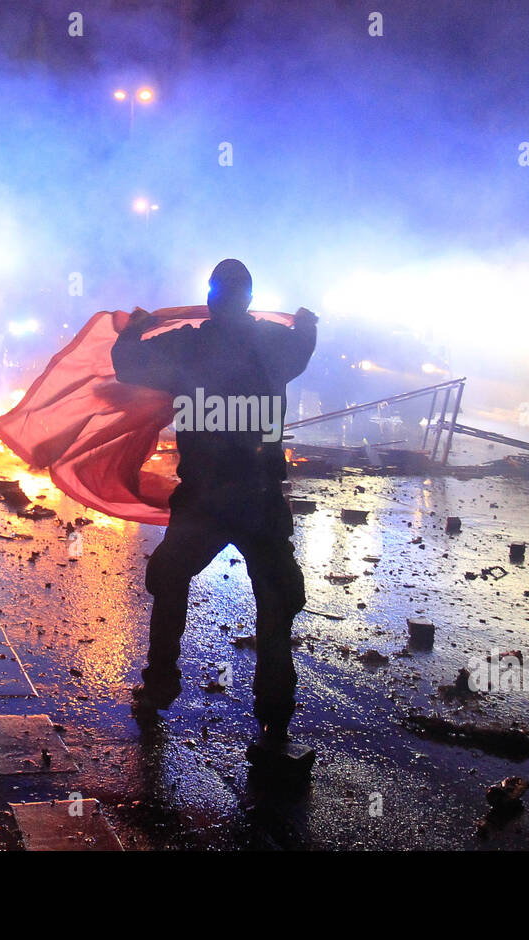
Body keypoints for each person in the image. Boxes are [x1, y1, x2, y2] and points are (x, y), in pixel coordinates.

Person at [111, 259, 317, 751]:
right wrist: (308, 324)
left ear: (210, 297)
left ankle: (160, 686)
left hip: (205, 495)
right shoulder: (273, 341)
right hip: (258, 495)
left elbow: (128, 365)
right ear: (247, 298)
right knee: (275, 599)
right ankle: (274, 721)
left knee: (171, 579)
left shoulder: (187, 344)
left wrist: (134, 331)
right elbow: (303, 347)